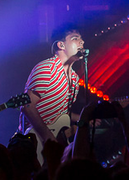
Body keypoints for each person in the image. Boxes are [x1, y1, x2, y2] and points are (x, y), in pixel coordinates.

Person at [19, 24, 85, 158]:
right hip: (36, 141)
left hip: (57, 140)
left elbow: (61, 113)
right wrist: (48, 137)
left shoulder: (74, 78)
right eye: (75, 38)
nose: (82, 42)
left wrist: (84, 119)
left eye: (81, 39)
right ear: (61, 45)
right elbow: (27, 106)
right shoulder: (47, 68)